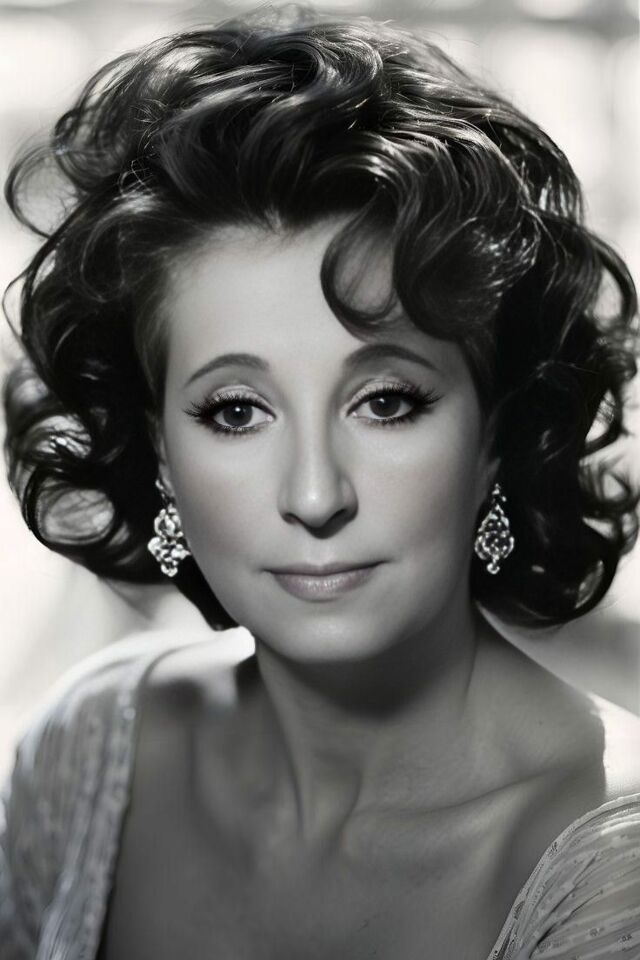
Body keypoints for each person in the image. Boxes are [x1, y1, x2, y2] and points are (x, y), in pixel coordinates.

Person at [1, 6, 640, 959]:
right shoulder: (90, 753)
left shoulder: (615, 874)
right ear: (160, 450)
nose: (313, 496)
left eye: (385, 402)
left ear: (496, 435)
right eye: (235, 411)